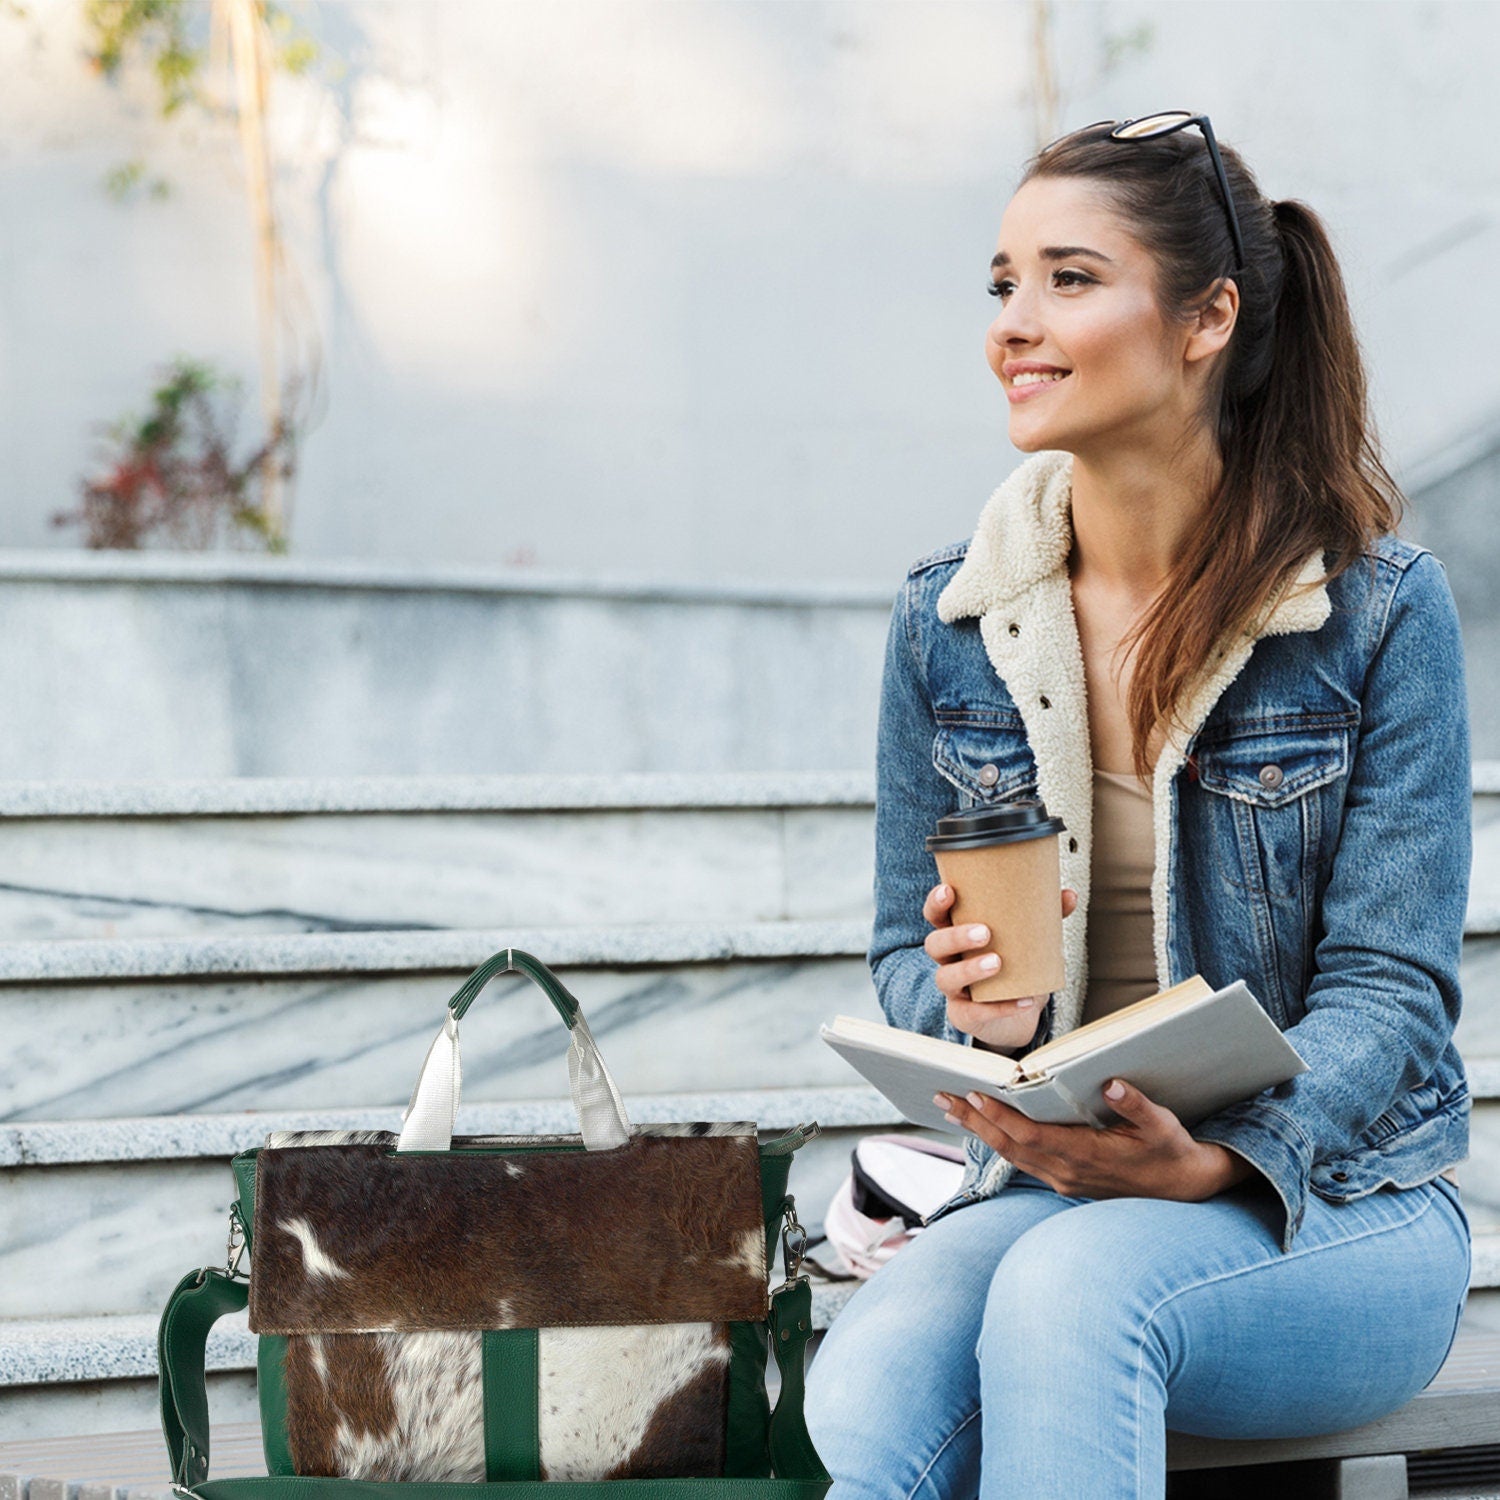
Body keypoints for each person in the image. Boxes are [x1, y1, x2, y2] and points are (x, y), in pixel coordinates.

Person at [802, 113, 1473, 1500]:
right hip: (1066, 1190)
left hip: (1336, 1207)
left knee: (1070, 1305)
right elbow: (898, 960)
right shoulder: (948, 622)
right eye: (1001, 284)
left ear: (1206, 318)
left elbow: (1390, 1000)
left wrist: (1220, 1158)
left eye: (1068, 278)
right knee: (866, 1391)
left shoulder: (1377, 613)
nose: (1015, 325)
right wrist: (978, 1021)